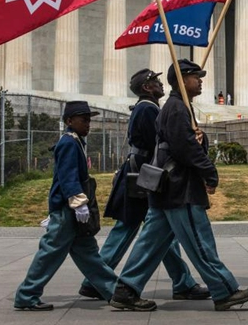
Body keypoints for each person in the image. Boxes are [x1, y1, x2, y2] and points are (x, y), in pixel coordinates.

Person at [111, 59, 248, 312]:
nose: (200, 80)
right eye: (195, 76)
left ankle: (126, 289)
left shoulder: (175, 107)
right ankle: (224, 290)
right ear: (182, 80)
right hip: (180, 188)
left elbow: (183, 142)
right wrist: (210, 172)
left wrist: (200, 139)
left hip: (165, 188)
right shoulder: (178, 108)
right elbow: (184, 148)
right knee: (200, 241)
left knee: (150, 243)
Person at [78, 69, 208, 301]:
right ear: (147, 88)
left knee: (157, 231)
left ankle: (182, 281)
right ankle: (96, 280)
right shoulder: (148, 109)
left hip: (141, 172)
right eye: (155, 82)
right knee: (134, 229)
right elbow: (158, 142)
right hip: (145, 175)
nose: (160, 84)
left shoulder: (145, 107)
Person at [13, 101, 119, 311]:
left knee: (88, 254)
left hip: (71, 209)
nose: (88, 124)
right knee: (50, 253)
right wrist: (78, 203)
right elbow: (68, 176)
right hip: (67, 210)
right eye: (83, 120)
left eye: (89, 120)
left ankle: (115, 291)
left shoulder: (75, 140)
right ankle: (27, 295)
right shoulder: (69, 143)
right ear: (69, 121)